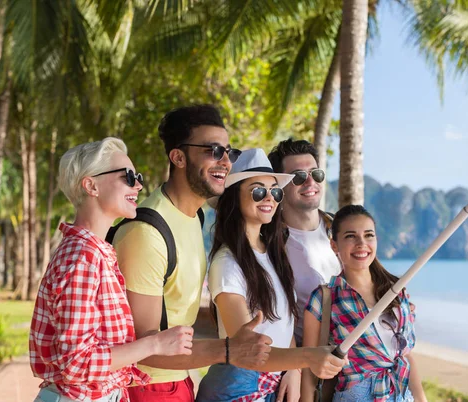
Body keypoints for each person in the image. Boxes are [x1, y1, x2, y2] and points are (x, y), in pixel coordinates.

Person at [112, 105, 272, 402]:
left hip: (180, 381)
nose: (226, 161)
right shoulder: (146, 233)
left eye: (229, 152)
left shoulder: (193, 216)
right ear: (178, 157)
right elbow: (141, 347)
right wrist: (229, 349)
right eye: (213, 150)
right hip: (147, 388)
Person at [30, 137, 194, 402]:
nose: (138, 184)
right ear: (91, 185)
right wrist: (156, 343)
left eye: (137, 176)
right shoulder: (82, 257)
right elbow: (77, 363)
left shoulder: (95, 251)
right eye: (128, 176)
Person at [196, 148, 346, 402]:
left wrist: (294, 369)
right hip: (239, 387)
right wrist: (308, 356)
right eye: (258, 191)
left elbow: (284, 326)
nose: (269, 198)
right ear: (234, 198)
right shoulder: (227, 264)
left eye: (275, 191)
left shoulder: (273, 253)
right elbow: (247, 349)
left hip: (272, 382)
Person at [301, 205, 427, 402]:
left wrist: (421, 399)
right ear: (334, 245)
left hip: (401, 394)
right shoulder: (324, 298)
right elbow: (309, 367)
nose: (362, 243)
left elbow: (406, 355)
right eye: (351, 236)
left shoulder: (396, 291)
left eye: (369, 235)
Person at [268, 139, 341, 345]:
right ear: (280, 185)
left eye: (316, 174)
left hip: (353, 356)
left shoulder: (340, 228)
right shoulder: (269, 244)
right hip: (304, 362)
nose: (310, 183)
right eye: (299, 177)